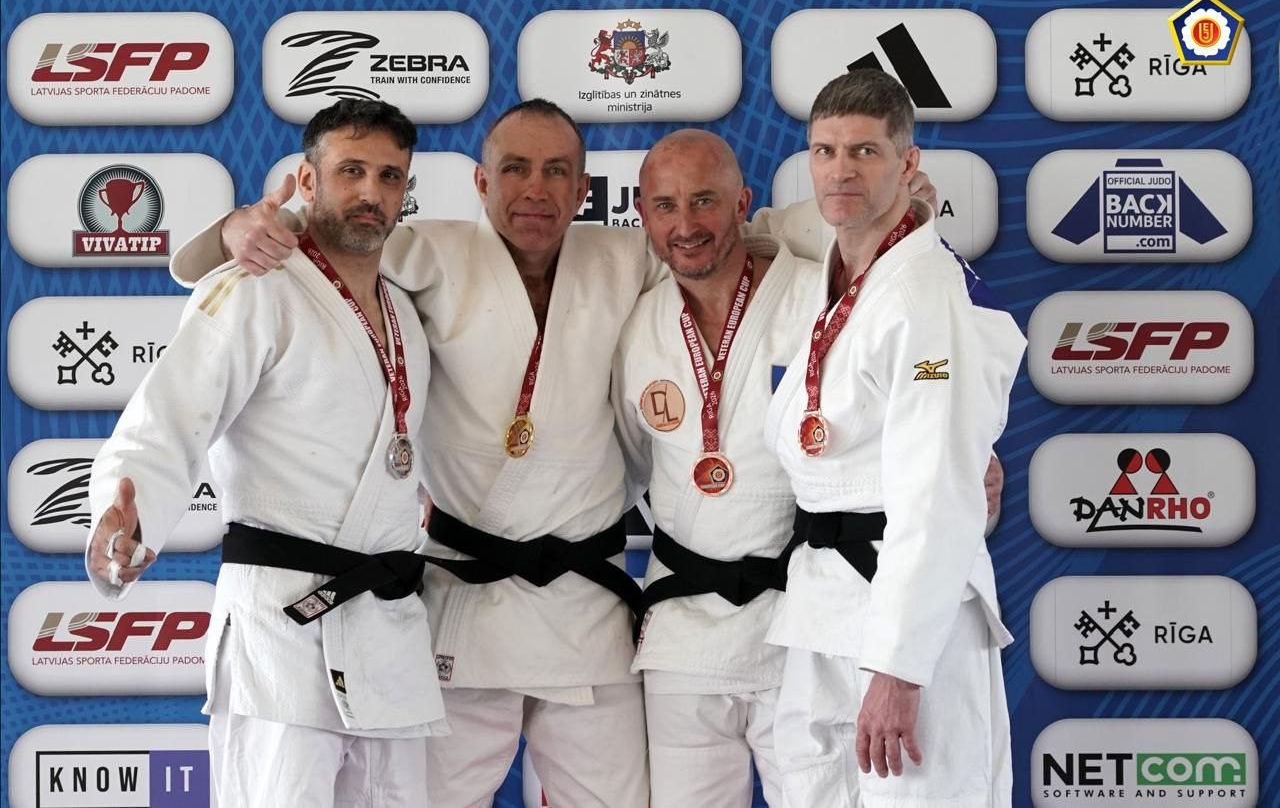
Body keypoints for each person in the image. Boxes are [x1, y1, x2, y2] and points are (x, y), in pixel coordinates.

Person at [170, 98, 979, 806]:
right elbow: (342, 230)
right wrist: (247, 226)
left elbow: (763, 236)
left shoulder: (630, 256)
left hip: (589, 610)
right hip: (463, 602)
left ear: (585, 190)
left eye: (557, 171)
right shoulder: (429, 251)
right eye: (515, 169)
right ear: (481, 183)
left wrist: (962, 428)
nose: (536, 188)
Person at [85, 98, 447, 807]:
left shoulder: (406, 312)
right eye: (350, 171)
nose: (371, 192)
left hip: (388, 635)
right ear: (307, 182)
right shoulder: (254, 287)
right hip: (281, 629)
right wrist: (123, 516)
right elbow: (168, 417)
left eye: (389, 176)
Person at [763, 69, 1024, 807]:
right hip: (822, 601)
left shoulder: (925, 293)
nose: (840, 170)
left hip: (907, 616)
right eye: (824, 151)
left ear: (908, 164)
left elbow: (939, 493)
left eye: (865, 151)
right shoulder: (844, 268)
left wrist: (900, 669)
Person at [612, 129, 821, 806]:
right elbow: (627, 466)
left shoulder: (816, 300)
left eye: (704, 200)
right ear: (643, 215)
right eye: (665, 205)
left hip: (804, 623)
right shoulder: (638, 327)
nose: (685, 225)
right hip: (684, 635)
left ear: (742, 203)